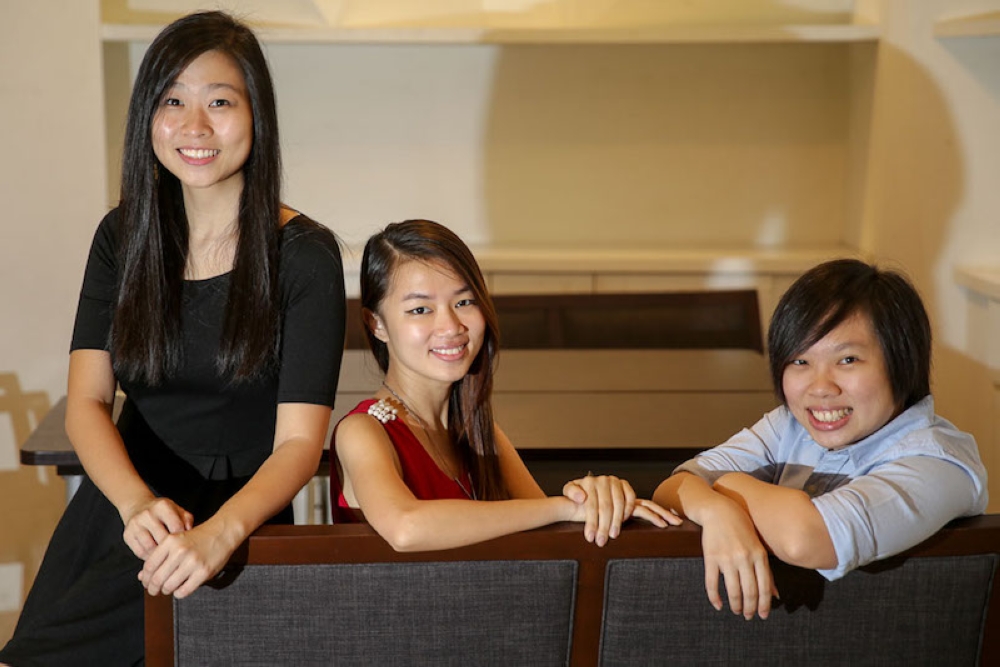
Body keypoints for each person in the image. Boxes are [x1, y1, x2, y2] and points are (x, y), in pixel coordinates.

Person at [0, 11, 346, 666]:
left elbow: (301, 444)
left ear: (256, 115)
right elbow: (86, 402)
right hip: (123, 504)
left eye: (220, 101)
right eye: (173, 101)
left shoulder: (304, 256)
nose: (195, 126)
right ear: (147, 117)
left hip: (234, 518)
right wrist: (134, 502)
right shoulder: (122, 235)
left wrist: (220, 534)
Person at [653, 258, 988, 621]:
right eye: (800, 361)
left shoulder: (939, 462)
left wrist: (727, 485)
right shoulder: (790, 427)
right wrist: (716, 509)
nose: (820, 387)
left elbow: (803, 538)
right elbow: (675, 487)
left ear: (901, 360)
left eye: (847, 359)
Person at [330, 219, 678, 552]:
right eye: (420, 310)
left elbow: (549, 537)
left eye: (464, 302)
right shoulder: (363, 431)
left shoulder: (480, 433)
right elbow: (405, 528)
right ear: (376, 324)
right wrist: (564, 508)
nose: (451, 326)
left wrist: (595, 496)